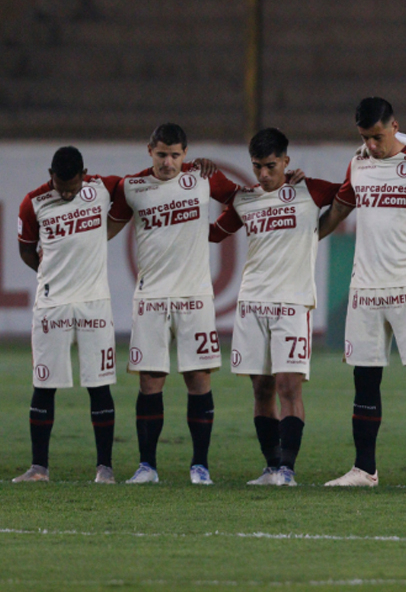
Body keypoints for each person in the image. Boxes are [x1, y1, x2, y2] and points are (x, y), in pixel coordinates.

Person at [320, 97, 406, 489]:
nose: (372, 145)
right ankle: (364, 469)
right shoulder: (359, 162)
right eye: (366, 137)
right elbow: (338, 208)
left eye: (378, 137)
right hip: (364, 289)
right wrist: (307, 238)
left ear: (395, 125)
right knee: (364, 381)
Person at [208, 128, 341, 486]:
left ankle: (288, 469)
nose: (264, 175)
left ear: (286, 161)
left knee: (287, 386)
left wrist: (320, 226)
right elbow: (216, 233)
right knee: (261, 389)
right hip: (251, 303)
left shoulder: (309, 190)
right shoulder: (246, 199)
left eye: (271, 166)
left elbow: (350, 193)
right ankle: (270, 467)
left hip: (292, 303)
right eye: (257, 167)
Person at [109, 123, 241, 485]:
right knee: (150, 382)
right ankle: (146, 466)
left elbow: (244, 200)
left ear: (186, 153)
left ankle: (200, 466)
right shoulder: (132, 187)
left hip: (194, 297)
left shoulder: (202, 179)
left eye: (175, 155)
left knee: (198, 379)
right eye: (162, 154)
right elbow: (106, 230)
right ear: (149, 150)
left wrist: (217, 232)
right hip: (150, 297)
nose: (168, 162)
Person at [13, 146, 120, 483]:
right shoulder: (33, 203)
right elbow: (26, 250)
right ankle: (39, 468)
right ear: (50, 176)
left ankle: (105, 468)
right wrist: (52, 272)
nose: (69, 193)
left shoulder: (102, 189)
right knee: (44, 384)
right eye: (62, 187)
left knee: (99, 385)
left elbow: (143, 187)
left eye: (74, 187)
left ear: (85, 174)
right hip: (52, 305)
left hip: (94, 304)